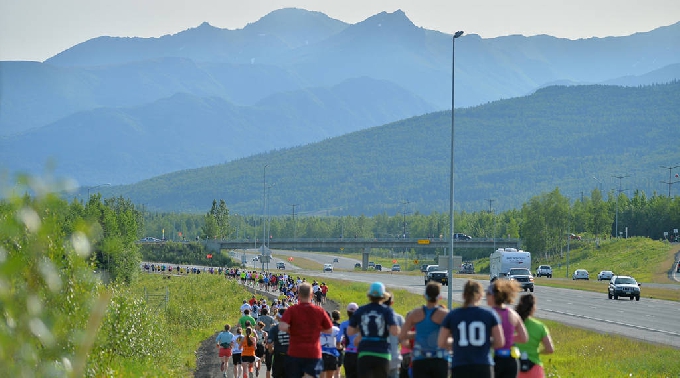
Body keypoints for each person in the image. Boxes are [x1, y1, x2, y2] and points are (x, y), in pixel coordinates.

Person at [438, 280, 504, 378]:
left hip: (460, 366)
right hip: (483, 365)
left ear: (464, 295)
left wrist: (457, 344)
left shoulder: (453, 315)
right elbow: (500, 342)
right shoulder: (489, 314)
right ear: (481, 296)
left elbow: (441, 342)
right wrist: (484, 343)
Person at [279, 282, 333, 378]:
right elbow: (329, 330)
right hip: (313, 353)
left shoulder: (292, 310)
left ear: (298, 294)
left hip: (295, 352)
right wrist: (316, 329)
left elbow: (282, 327)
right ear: (312, 295)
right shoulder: (319, 310)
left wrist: (293, 331)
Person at [347, 282, 400, 378]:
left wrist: (363, 327)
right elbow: (395, 331)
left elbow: (350, 331)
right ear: (383, 296)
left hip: (365, 353)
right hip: (382, 353)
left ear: (369, 295)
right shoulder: (387, 311)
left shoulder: (361, 310)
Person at [399, 282, 449, 378]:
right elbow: (453, 335)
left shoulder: (415, 314)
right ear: (440, 297)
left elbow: (402, 335)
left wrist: (417, 335)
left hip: (420, 359)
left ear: (425, 296)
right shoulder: (444, 314)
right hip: (439, 359)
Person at [486, 280, 529, 378]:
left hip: (494, 359)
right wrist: (508, 338)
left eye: (487, 293)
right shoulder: (513, 314)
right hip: (511, 361)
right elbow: (524, 338)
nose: (486, 296)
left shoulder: (488, 314)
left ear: (493, 296)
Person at [514, 294, 554, 378]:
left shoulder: (512, 324)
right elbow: (550, 349)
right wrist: (538, 352)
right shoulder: (539, 326)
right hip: (534, 368)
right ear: (533, 308)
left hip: (515, 367)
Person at [384, 293, 405, 378]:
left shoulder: (373, 317)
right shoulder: (398, 318)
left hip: (376, 359)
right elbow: (403, 340)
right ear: (392, 302)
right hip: (393, 359)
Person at [267, 308, 289, 378]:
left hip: (279, 356)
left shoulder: (274, 329)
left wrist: (271, 351)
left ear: (279, 317)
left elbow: (269, 343)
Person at [339, 303, 360, 378]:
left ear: (347, 312)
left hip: (348, 354)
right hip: (359, 354)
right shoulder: (361, 324)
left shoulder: (343, 324)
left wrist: (340, 346)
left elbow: (338, 339)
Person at [320, 311, 341, 378]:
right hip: (332, 354)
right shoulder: (336, 329)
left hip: (321, 354)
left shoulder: (317, 329)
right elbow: (339, 342)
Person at [331, 310, 343, 378]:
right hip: (338, 349)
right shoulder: (340, 326)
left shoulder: (330, 325)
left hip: (330, 348)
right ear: (339, 318)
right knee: (338, 371)